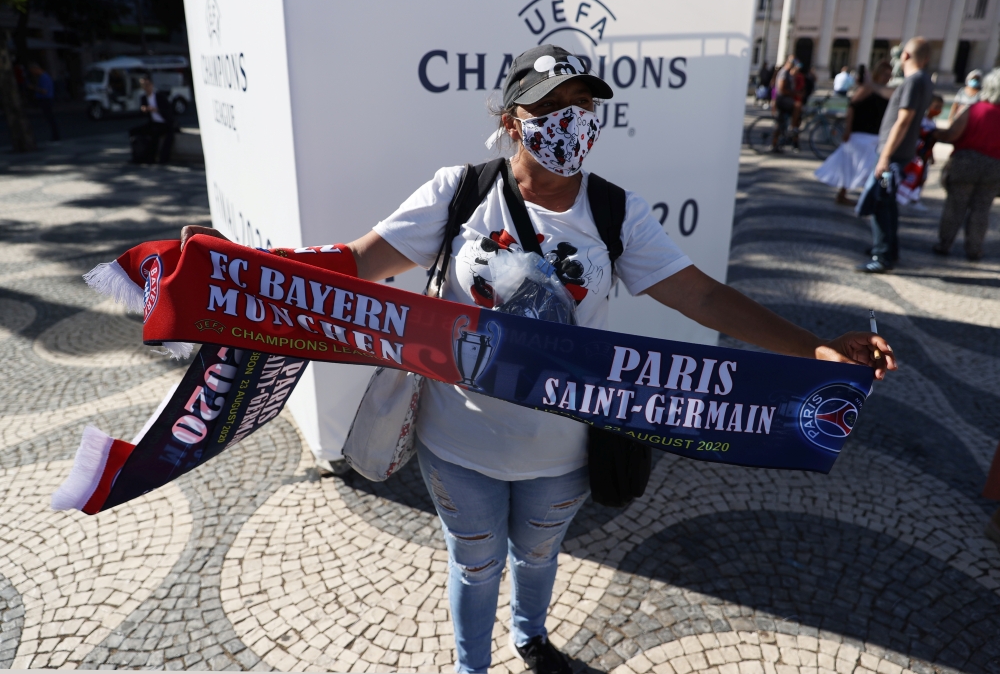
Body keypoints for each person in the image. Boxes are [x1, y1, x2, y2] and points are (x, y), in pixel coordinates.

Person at [179, 44, 895, 674]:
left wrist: (815, 347)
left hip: (564, 448)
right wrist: (238, 269)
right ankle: (472, 664)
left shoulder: (616, 213)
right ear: (512, 117)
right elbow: (355, 264)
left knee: (540, 555)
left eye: (584, 105)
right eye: (551, 105)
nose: (572, 121)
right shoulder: (458, 193)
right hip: (457, 439)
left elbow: (703, 299)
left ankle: (531, 637)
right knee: (475, 560)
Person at [855, 37, 935, 273]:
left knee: (881, 201)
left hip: (893, 157)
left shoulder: (914, 81)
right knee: (887, 202)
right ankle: (889, 249)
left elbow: (903, 120)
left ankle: (882, 256)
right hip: (899, 155)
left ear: (905, 56)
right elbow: (897, 100)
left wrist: (885, 157)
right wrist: (873, 85)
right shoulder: (922, 81)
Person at [928, 68, 1000, 261]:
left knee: (955, 205)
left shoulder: (974, 109)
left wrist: (934, 135)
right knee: (982, 209)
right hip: (994, 166)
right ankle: (974, 248)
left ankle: (945, 244)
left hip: (966, 161)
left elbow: (953, 134)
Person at [815, 61, 892, 206]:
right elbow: (852, 107)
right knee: (852, 165)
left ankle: (877, 196)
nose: (887, 77)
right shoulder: (867, 89)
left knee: (873, 167)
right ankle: (849, 194)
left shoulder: (885, 90)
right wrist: (848, 129)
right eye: (884, 74)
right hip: (861, 132)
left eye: (889, 75)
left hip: (877, 133)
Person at [895, 94, 944, 208]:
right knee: (905, 174)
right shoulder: (920, 120)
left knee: (922, 177)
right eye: (936, 106)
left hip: (924, 155)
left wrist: (931, 156)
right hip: (913, 153)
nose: (938, 110)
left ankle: (914, 197)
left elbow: (930, 143)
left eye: (940, 107)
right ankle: (898, 194)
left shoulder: (932, 123)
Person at [128, 75, 176, 164]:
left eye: (147, 84)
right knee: (133, 131)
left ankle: (153, 158)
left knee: (155, 133)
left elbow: (169, 111)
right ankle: (137, 157)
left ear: (151, 84)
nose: (145, 87)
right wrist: (143, 110)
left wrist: (156, 110)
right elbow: (142, 114)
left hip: (165, 123)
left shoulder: (159, 96)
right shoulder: (143, 98)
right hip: (153, 123)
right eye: (143, 85)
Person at [771, 56, 798, 152]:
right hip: (782, 100)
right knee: (797, 106)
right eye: (791, 62)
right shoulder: (784, 73)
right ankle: (793, 128)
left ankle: (778, 143)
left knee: (780, 123)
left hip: (784, 99)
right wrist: (793, 93)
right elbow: (782, 89)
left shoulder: (789, 73)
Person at [27, 62, 60, 142]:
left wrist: (33, 88)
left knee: (50, 118)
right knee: (50, 118)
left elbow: (44, 91)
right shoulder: (43, 77)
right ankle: (55, 136)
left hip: (46, 99)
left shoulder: (44, 77)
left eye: (33, 71)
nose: (33, 73)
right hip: (46, 99)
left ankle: (56, 137)